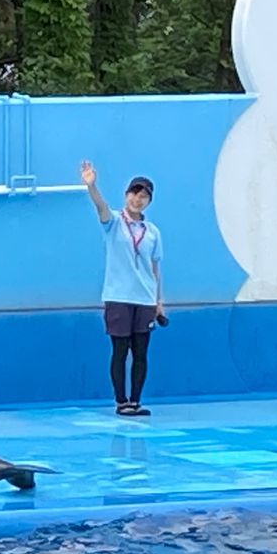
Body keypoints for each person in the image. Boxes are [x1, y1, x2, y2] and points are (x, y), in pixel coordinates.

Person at [80, 160, 165, 416]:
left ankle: (136, 400)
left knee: (141, 352)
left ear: (148, 201)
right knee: (120, 350)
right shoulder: (114, 222)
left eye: (143, 196)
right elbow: (100, 206)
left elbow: (155, 268)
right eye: (134, 194)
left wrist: (159, 301)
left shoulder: (152, 232)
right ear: (126, 195)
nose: (138, 200)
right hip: (118, 297)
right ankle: (121, 401)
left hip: (145, 300)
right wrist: (92, 186)